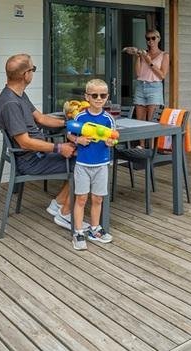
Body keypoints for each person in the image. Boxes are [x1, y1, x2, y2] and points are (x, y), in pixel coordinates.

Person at [0, 53, 87, 230]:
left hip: (37, 154)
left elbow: (41, 118)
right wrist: (59, 147)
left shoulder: (19, 95)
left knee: (80, 155)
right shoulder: (10, 103)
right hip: (30, 160)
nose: (33, 72)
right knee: (83, 163)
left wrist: (70, 124)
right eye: (33, 69)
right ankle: (65, 214)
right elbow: (24, 142)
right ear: (25, 75)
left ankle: (58, 203)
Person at [65, 79, 116, 251]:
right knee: (81, 199)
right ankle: (78, 232)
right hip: (83, 164)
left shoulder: (108, 119)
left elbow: (113, 138)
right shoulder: (80, 117)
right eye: (94, 95)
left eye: (103, 95)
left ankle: (95, 229)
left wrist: (110, 142)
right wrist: (78, 140)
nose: (99, 98)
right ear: (87, 97)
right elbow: (70, 134)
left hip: (101, 165)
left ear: (107, 96)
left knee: (98, 198)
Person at [133, 29, 170, 144]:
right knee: (140, 121)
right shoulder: (143, 54)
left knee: (151, 121)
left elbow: (162, 75)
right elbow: (138, 73)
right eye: (148, 38)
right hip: (140, 86)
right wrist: (138, 57)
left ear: (159, 39)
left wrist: (149, 62)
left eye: (153, 38)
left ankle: (152, 148)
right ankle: (141, 146)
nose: (151, 41)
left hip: (154, 87)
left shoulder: (164, 55)